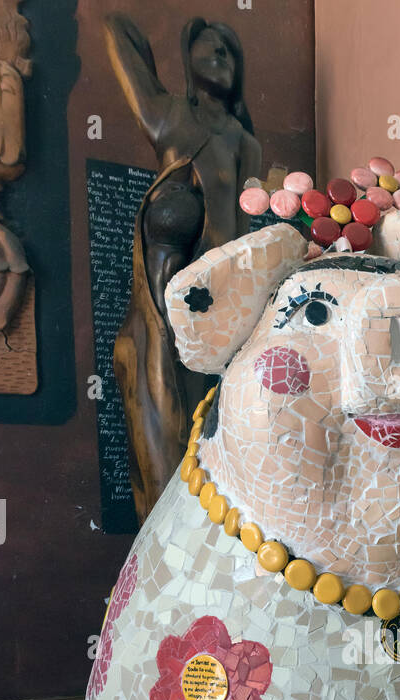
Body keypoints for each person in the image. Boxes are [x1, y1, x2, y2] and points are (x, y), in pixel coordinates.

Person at [105, 13, 262, 523]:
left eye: (230, 51)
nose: (221, 56)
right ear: (186, 62)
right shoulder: (169, 114)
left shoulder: (244, 142)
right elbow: (118, 30)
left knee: (213, 427)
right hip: (161, 302)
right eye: (208, 47)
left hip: (220, 302)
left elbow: (248, 221)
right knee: (161, 421)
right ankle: (162, 544)